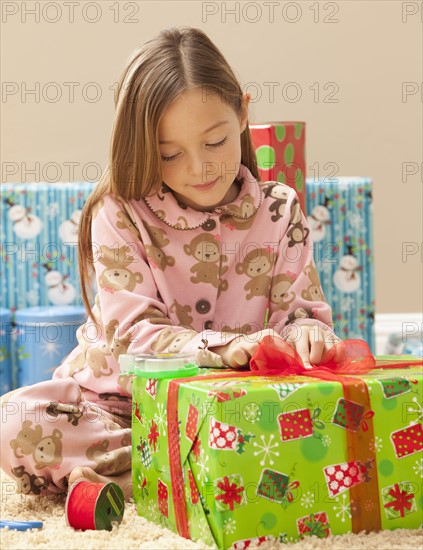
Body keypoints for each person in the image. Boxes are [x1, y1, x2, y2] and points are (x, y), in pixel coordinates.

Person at [0, 26, 339, 507]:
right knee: (14, 422)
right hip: (120, 408)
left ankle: (145, 477)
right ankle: (187, 471)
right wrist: (223, 347)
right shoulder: (119, 212)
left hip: (226, 408)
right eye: (170, 154)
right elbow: (134, 335)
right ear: (142, 147)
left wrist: (309, 332)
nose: (200, 168)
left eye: (216, 142)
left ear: (242, 112)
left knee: (320, 425)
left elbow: (302, 314)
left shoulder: (280, 208)